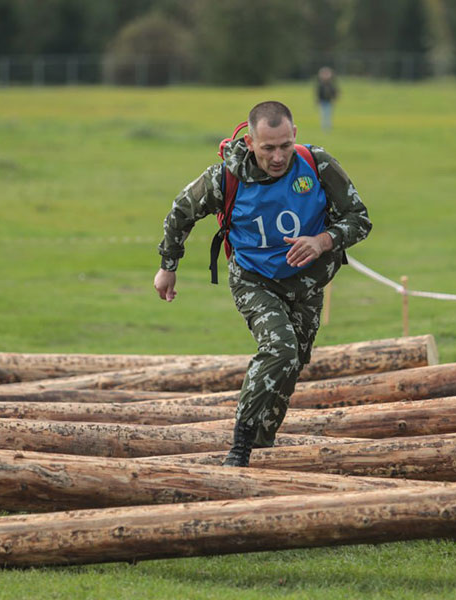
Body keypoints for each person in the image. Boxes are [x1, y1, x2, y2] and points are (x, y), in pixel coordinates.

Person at [154, 101, 371, 466]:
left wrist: (322, 241)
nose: (278, 156)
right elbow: (180, 212)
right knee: (279, 350)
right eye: (268, 147)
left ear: (295, 136)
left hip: (307, 283)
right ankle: (239, 448)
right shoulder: (225, 176)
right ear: (250, 142)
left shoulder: (316, 164)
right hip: (254, 280)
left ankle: (264, 445)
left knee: (294, 363)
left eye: (285, 145)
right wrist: (168, 265)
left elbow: (360, 219)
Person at [316, 66, 338, 131]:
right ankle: (324, 126)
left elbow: (334, 92)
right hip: (322, 101)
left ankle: (328, 126)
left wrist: (334, 98)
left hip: (329, 101)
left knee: (328, 114)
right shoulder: (320, 84)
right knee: (323, 114)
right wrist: (318, 100)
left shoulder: (331, 84)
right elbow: (318, 93)